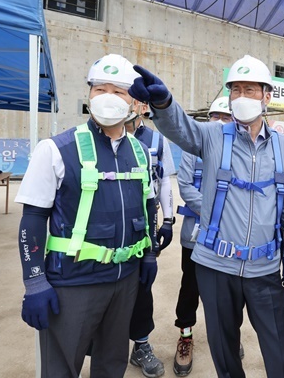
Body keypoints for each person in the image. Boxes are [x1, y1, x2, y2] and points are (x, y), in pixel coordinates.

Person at [128, 54, 284, 378]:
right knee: (225, 351)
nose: (240, 97)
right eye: (235, 90)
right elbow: (182, 129)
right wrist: (165, 104)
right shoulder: (212, 137)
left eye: (249, 90)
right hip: (215, 266)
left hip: (264, 269)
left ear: (266, 96)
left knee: (281, 353)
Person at [15, 53, 158, 377]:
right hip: (73, 283)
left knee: (112, 364)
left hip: (125, 282)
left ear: (134, 102)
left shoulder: (140, 152)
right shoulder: (56, 149)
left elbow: (148, 204)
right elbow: (33, 219)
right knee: (60, 368)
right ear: (89, 95)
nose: (108, 98)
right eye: (99, 89)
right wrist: (35, 280)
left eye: (118, 91)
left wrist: (148, 254)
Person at [173, 96, 236, 376]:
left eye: (226, 117)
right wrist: (215, 213)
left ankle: (226, 338)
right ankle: (185, 336)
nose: (220, 122)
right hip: (197, 235)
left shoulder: (238, 151)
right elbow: (185, 185)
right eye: (215, 116)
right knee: (191, 288)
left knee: (226, 291)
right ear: (207, 119)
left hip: (228, 237)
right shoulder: (192, 149)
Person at [124, 101, 176, 378]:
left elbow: (164, 180)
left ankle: (141, 345)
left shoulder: (156, 140)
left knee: (143, 284)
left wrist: (167, 220)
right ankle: (105, 347)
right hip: (109, 223)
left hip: (145, 221)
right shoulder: (96, 136)